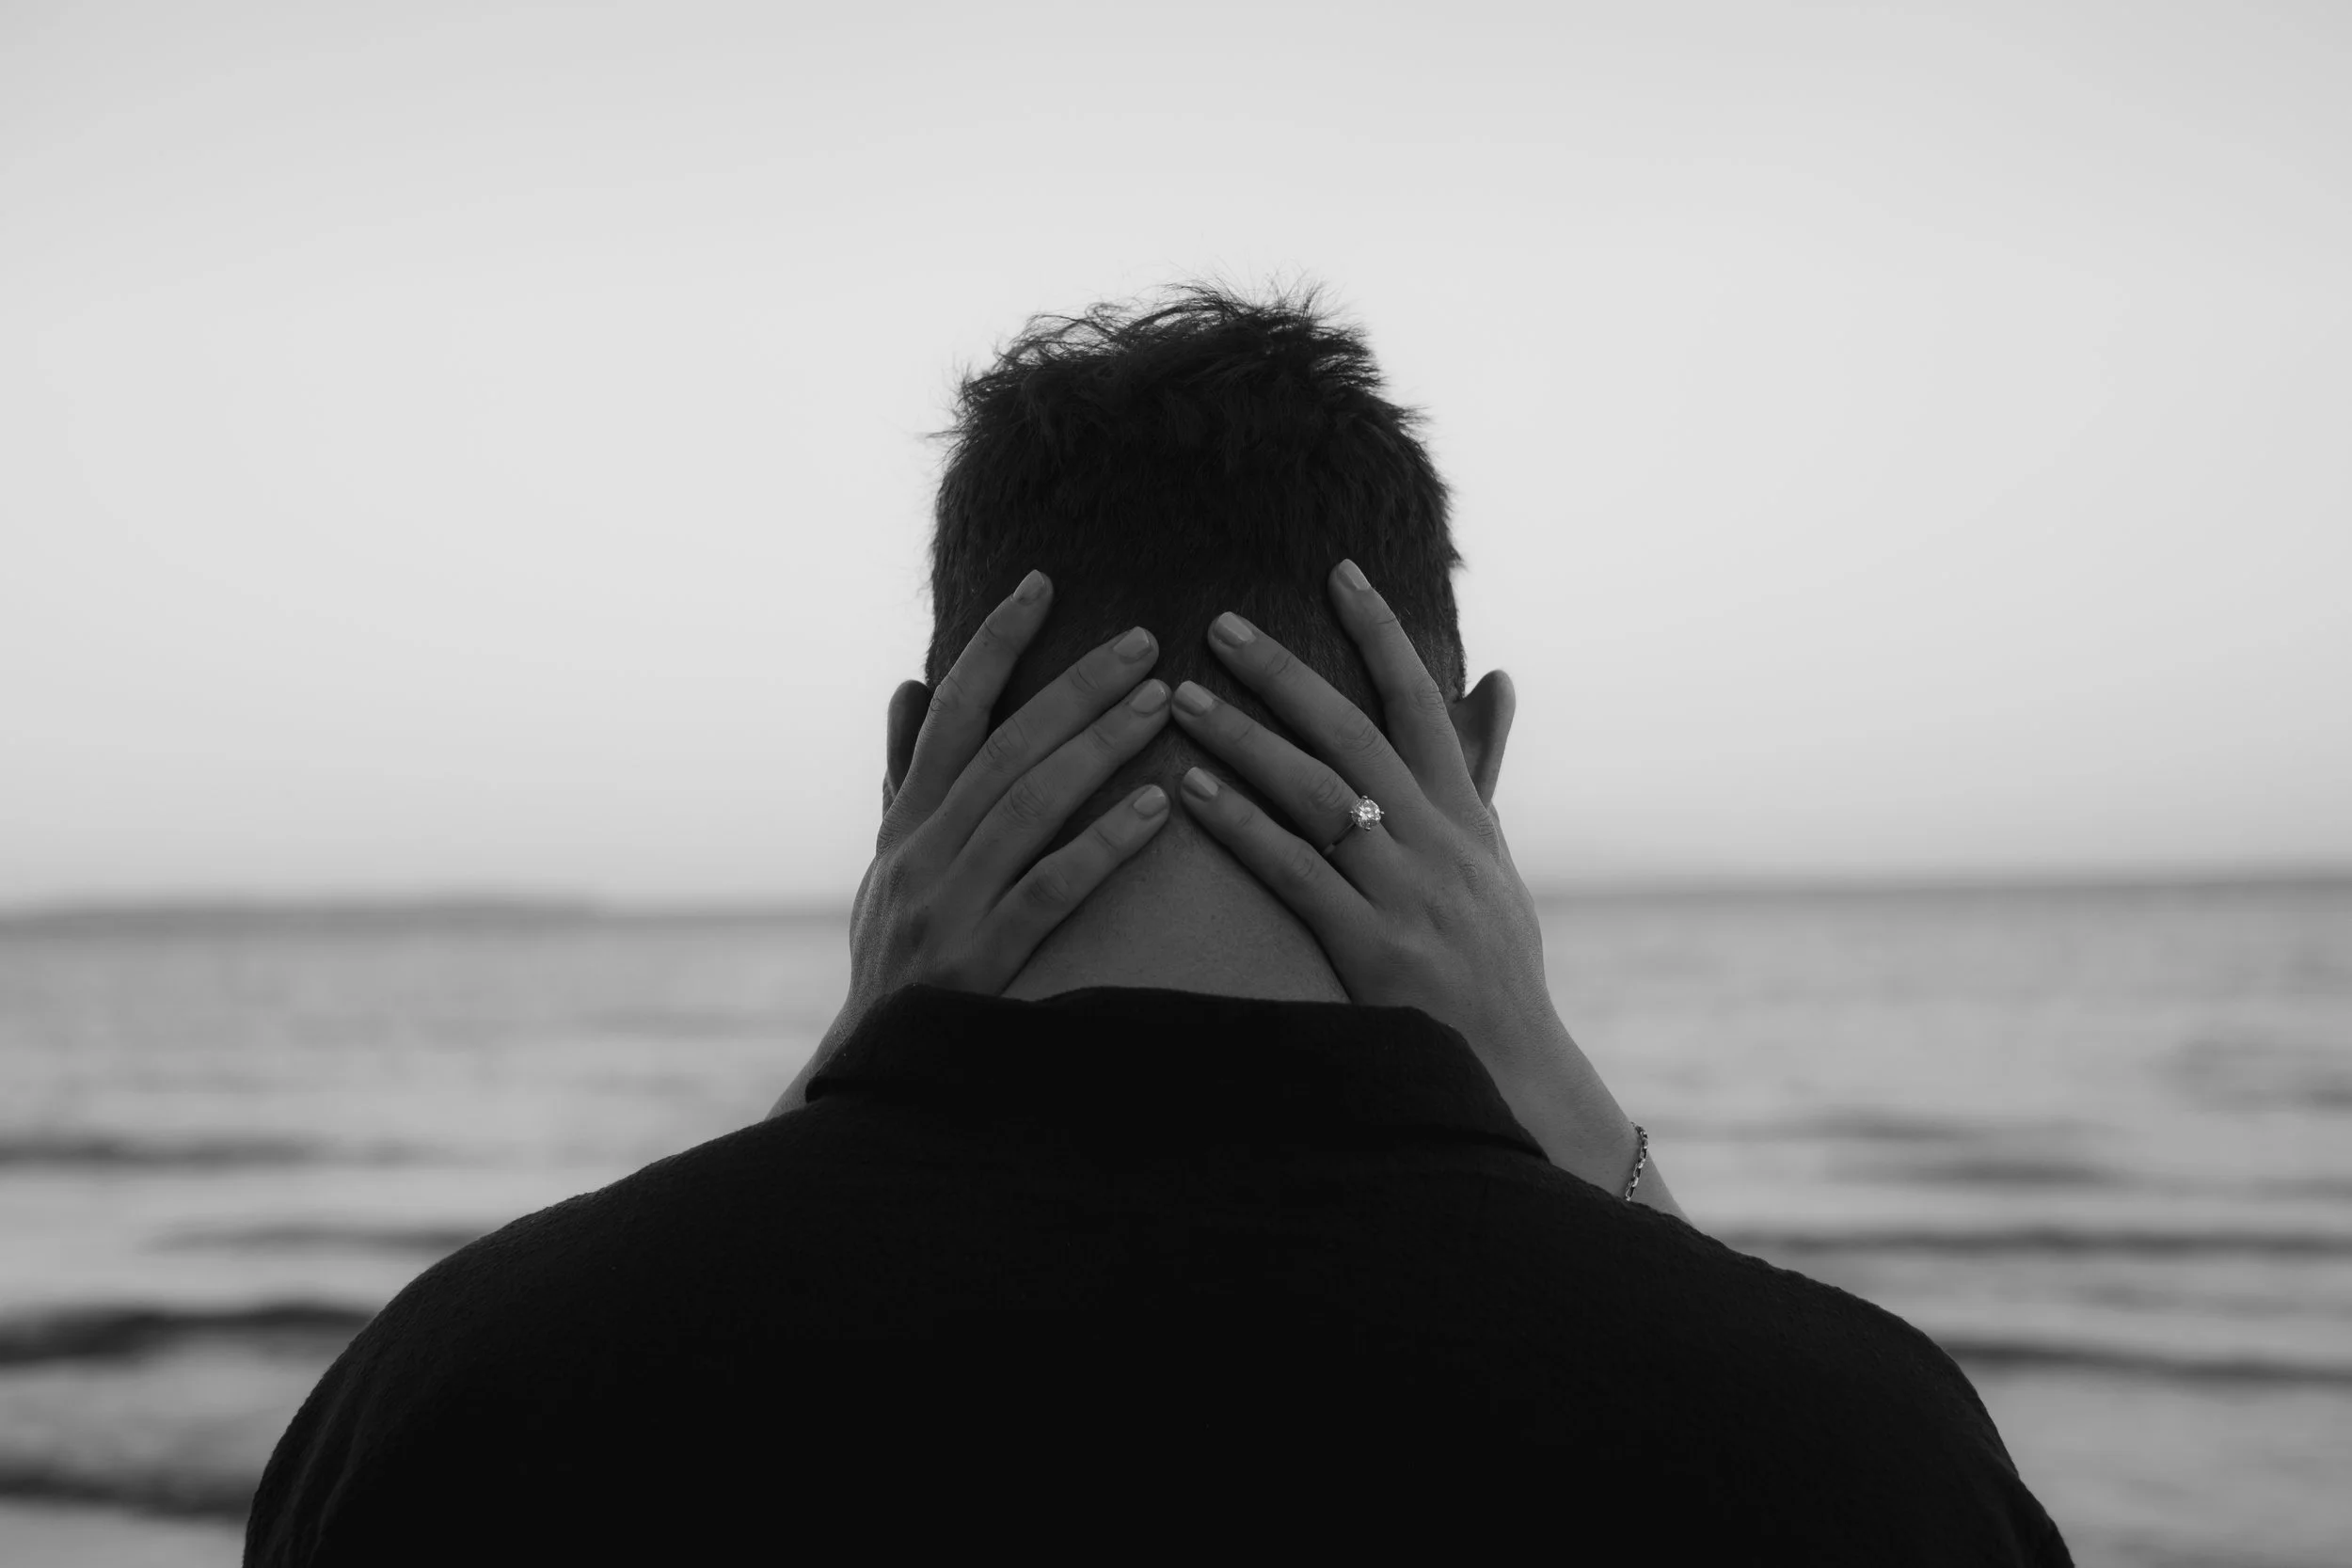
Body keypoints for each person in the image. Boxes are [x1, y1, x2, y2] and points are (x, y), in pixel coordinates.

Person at [244, 283, 2074, 1563]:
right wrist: (1555, 1084)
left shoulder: (456, 1395)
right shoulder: (1852, 1452)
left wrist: (849, 1074)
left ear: (910, 765)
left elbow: (705, 1298)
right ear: (1476, 762)